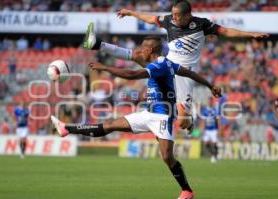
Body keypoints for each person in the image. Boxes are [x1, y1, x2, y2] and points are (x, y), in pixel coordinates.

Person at [52, 36, 222, 199]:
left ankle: (187, 191)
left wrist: (105, 68)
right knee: (110, 125)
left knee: (167, 158)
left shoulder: (159, 66)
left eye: (142, 48)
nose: (140, 51)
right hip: (148, 114)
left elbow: (132, 75)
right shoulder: (167, 64)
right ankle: (66, 128)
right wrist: (210, 85)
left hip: (163, 117)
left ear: (150, 49)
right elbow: (190, 74)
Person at [83, 0, 268, 134]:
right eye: (173, 13)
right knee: (139, 55)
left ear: (188, 15)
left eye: (178, 14)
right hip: (168, 64)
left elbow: (226, 31)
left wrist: (251, 34)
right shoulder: (169, 21)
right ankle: (97, 44)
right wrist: (131, 13)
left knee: (182, 123)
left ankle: (189, 120)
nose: (174, 17)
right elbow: (150, 19)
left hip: (185, 74)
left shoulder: (202, 24)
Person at [200, 96, 221, 163]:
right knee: (206, 143)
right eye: (208, 101)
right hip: (207, 129)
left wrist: (219, 129)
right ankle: (214, 155)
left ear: (212, 102)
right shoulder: (204, 110)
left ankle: (215, 156)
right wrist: (202, 129)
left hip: (214, 129)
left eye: (210, 101)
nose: (209, 102)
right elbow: (203, 120)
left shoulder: (215, 110)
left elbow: (218, 120)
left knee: (214, 143)